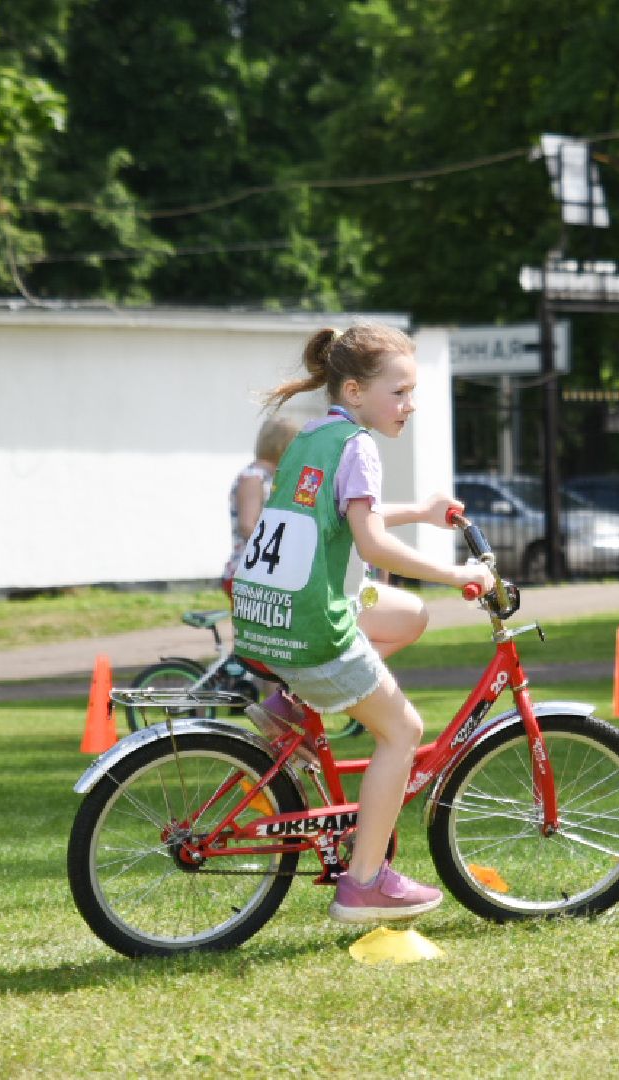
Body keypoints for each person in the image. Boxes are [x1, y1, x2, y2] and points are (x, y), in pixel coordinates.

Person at [230, 322, 494, 924]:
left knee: (410, 614)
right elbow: (370, 545)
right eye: (398, 392)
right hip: (312, 624)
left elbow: (349, 516)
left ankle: (290, 702)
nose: (410, 404)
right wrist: (457, 575)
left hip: (270, 611)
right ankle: (366, 883)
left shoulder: (311, 438)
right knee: (402, 732)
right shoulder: (360, 446)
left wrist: (424, 512)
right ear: (353, 391)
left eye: (412, 391)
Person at [222, 416, 301, 592]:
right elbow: (247, 525)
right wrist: (281, 553)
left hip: (266, 571)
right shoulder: (254, 477)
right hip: (249, 571)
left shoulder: (271, 477)